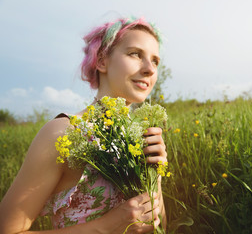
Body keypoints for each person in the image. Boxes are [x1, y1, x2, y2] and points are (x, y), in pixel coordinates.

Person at [0, 17, 167, 233]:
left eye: (155, 61)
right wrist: (106, 228)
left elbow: (161, 226)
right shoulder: (63, 133)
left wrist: (156, 174)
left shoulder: (143, 137)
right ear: (101, 61)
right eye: (135, 54)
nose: (149, 69)